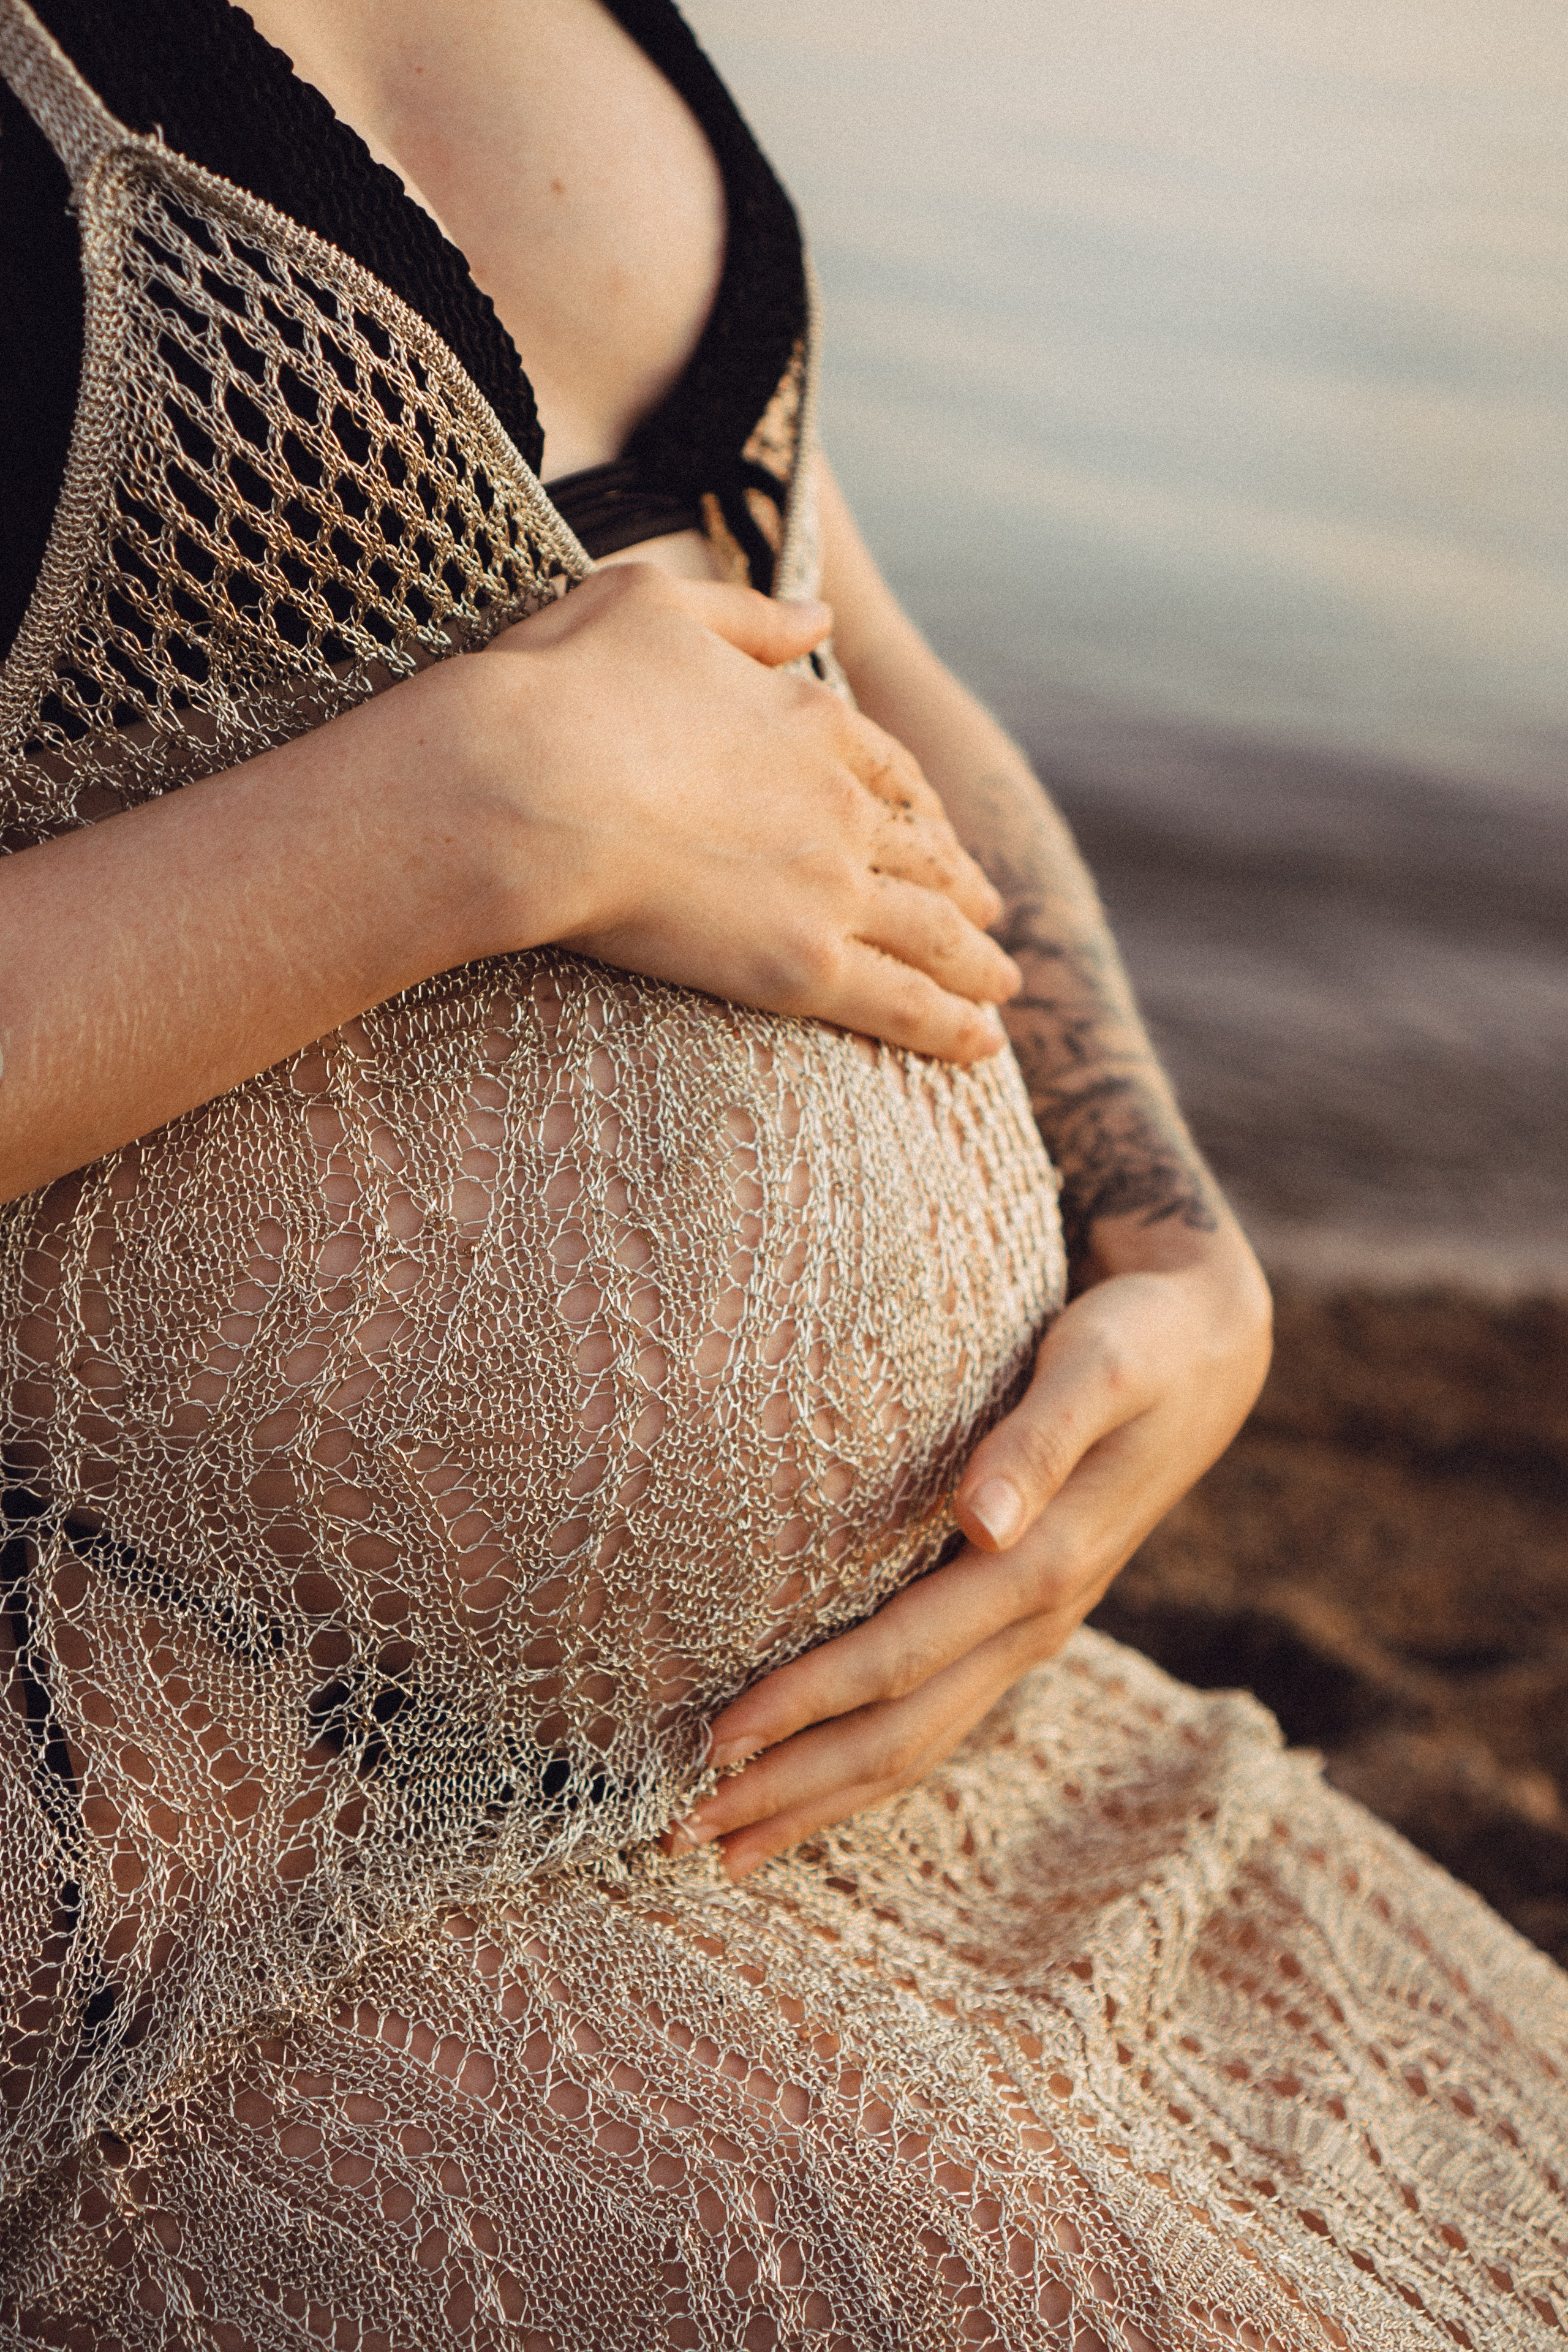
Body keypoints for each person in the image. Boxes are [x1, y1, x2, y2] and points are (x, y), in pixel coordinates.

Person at [0, 1, 1561, 2343]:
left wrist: (1174, 1237)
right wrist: (472, 812)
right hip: (194, 1805)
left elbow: (834, 616)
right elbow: (563, 762)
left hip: (902, 1752)